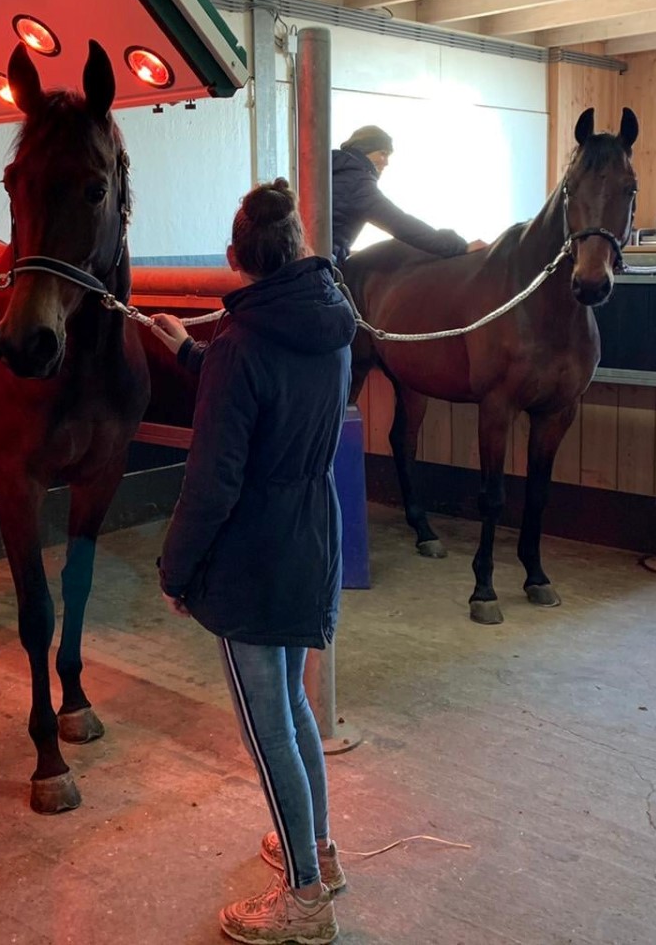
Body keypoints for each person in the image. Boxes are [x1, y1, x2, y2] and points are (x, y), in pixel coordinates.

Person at [151, 179, 355, 945]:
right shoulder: (330, 321)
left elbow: (213, 479)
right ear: (297, 248)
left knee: (268, 732)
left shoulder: (244, 344)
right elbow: (265, 389)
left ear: (236, 260)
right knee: (296, 708)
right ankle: (321, 853)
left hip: (253, 555)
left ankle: (304, 900)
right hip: (311, 533)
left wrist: (177, 570)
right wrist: (184, 349)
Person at [331, 125, 484, 265]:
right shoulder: (356, 182)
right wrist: (459, 247)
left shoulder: (330, 172)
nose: (386, 162)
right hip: (315, 269)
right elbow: (399, 223)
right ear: (365, 150)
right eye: (383, 154)